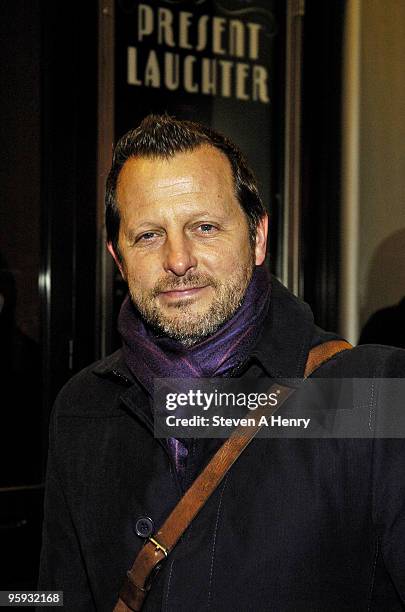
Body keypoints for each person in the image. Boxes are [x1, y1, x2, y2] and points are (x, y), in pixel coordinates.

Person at [39, 115, 405, 611]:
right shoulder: (84, 406)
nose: (179, 259)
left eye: (204, 227)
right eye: (148, 235)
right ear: (118, 258)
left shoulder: (372, 397)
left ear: (257, 238)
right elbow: (54, 595)